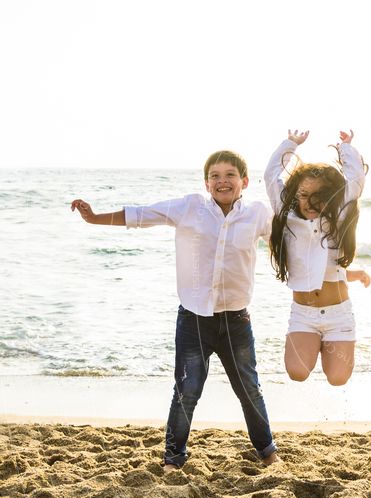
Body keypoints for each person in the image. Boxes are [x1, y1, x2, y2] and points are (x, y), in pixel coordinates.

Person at [71, 150, 280, 471]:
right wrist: (94, 217)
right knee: (187, 390)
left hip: (236, 321)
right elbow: (141, 215)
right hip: (194, 321)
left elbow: (291, 235)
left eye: (229, 175)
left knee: (249, 389)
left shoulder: (257, 214)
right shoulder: (190, 207)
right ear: (207, 183)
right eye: (215, 176)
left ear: (244, 181)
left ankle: (267, 451)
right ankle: (173, 459)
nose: (222, 181)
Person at [265, 130, 368, 386]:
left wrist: (346, 148)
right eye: (302, 195)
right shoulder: (286, 217)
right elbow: (270, 176)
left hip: (338, 314)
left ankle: (330, 346)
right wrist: (290, 145)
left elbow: (356, 180)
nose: (309, 202)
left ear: (331, 196)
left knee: (338, 378)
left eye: (319, 196)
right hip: (303, 314)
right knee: (297, 372)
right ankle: (312, 344)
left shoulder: (338, 217)